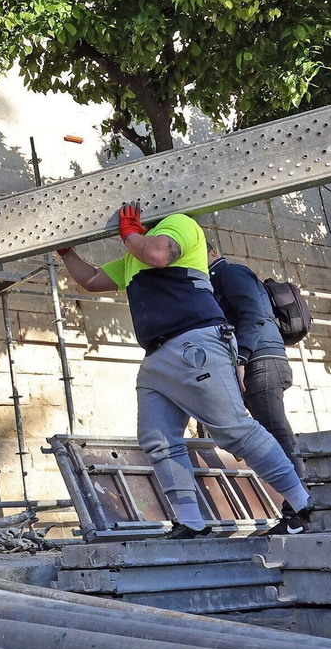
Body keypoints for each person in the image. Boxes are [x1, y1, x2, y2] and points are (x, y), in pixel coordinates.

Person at [58, 205, 313, 539]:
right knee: (158, 440)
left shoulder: (180, 223)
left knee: (235, 429)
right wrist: (65, 251)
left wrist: (129, 233)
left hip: (195, 341)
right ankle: (191, 522)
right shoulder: (133, 258)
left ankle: (305, 505)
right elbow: (91, 280)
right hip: (157, 356)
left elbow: (158, 254)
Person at [207, 244, 300, 471]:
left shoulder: (231, 272)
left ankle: (300, 490)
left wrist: (241, 358)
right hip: (259, 359)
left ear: (213, 253)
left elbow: (253, 314)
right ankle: (304, 485)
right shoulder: (214, 281)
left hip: (260, 359)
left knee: (274, 432)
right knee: (277, 430)